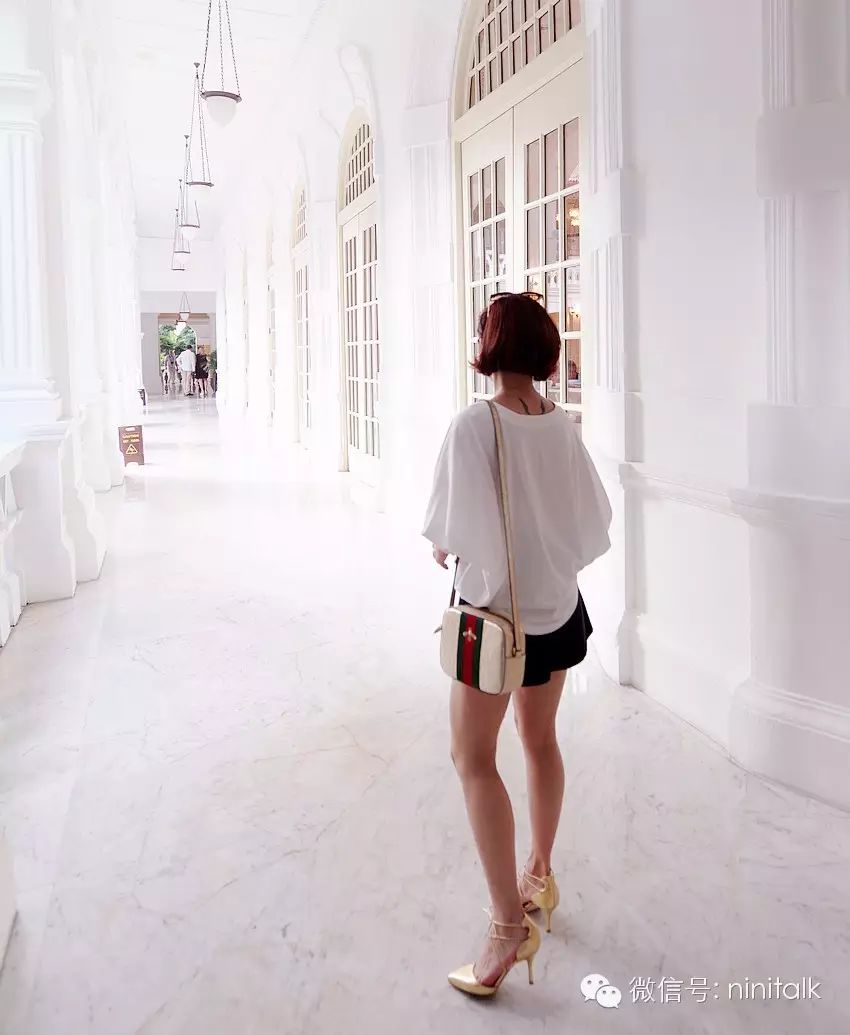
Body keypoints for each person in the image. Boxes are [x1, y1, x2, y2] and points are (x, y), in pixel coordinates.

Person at [423, 291, 612, 998]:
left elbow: (450, 537)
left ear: (491, 344)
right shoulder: (561, 424)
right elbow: (591, 520)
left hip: (496, 626)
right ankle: (539, 875)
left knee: (472, 758)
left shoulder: (474, 425)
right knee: (540, 741)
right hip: (557, 613)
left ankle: (508, 926)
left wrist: (452, 548)